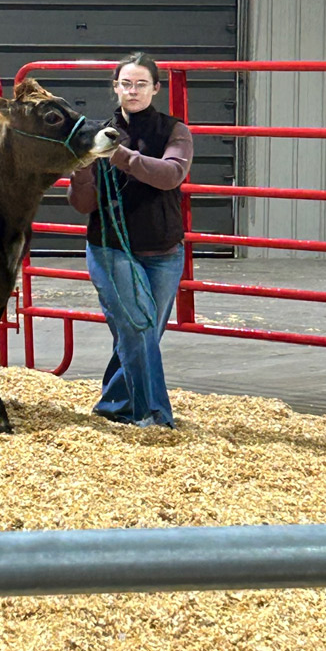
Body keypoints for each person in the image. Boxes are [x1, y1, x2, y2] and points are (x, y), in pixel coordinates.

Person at [68, 52, 194, 428]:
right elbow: (83, 204)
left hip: (163, 248)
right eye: (126, 83)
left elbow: (171, 175)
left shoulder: (175, 131)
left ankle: (114, 404)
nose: (133, 90)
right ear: (116, 87)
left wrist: (120, 156)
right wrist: (81, 171)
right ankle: (153, 414)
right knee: (138, 329)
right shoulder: (97, 133)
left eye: (141, 84)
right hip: (110, 247)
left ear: (156, 88)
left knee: (141, 333)